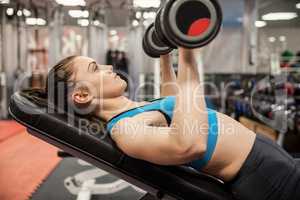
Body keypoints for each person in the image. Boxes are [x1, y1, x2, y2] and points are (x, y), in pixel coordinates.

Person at [44, 48, 300, 200]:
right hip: (267, 178)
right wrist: (188, 54)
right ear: (82, 95)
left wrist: (165, 56)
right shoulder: (123, 129)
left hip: (272, 163)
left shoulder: (133, 112)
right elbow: (189, 145)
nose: (109, 66)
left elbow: (173, 103)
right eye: (95, 68)